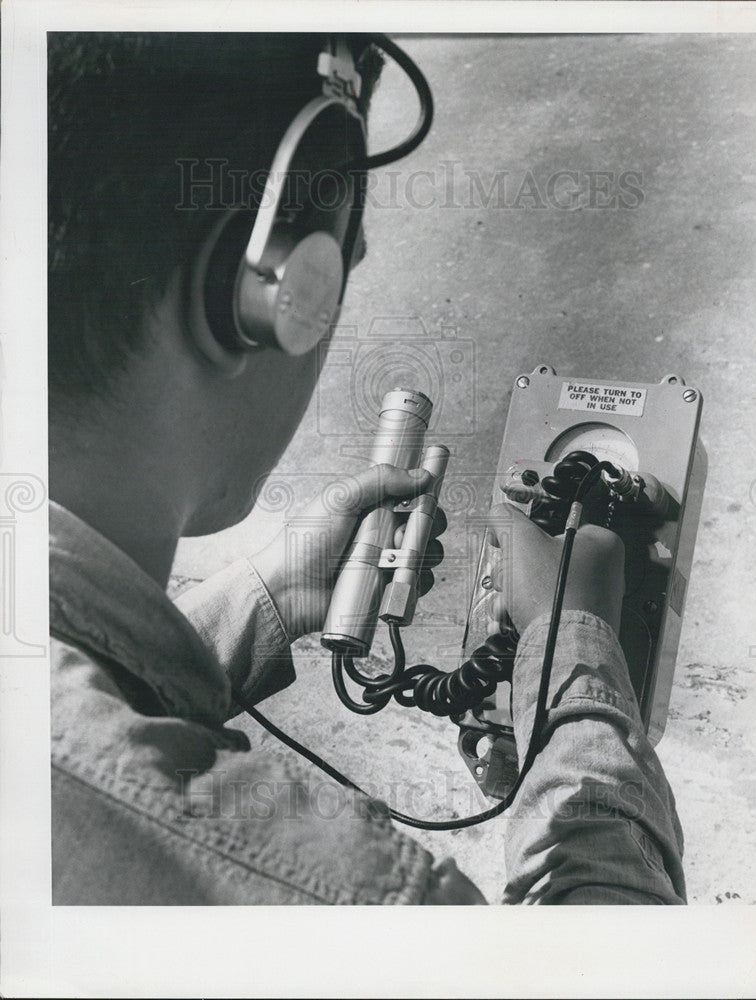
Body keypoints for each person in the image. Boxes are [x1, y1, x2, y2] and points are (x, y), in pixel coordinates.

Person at [48, 31, 686, 905]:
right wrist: (573, 647)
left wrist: (271, 596)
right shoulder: (341, 896)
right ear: (262, 294)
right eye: (341, 265)